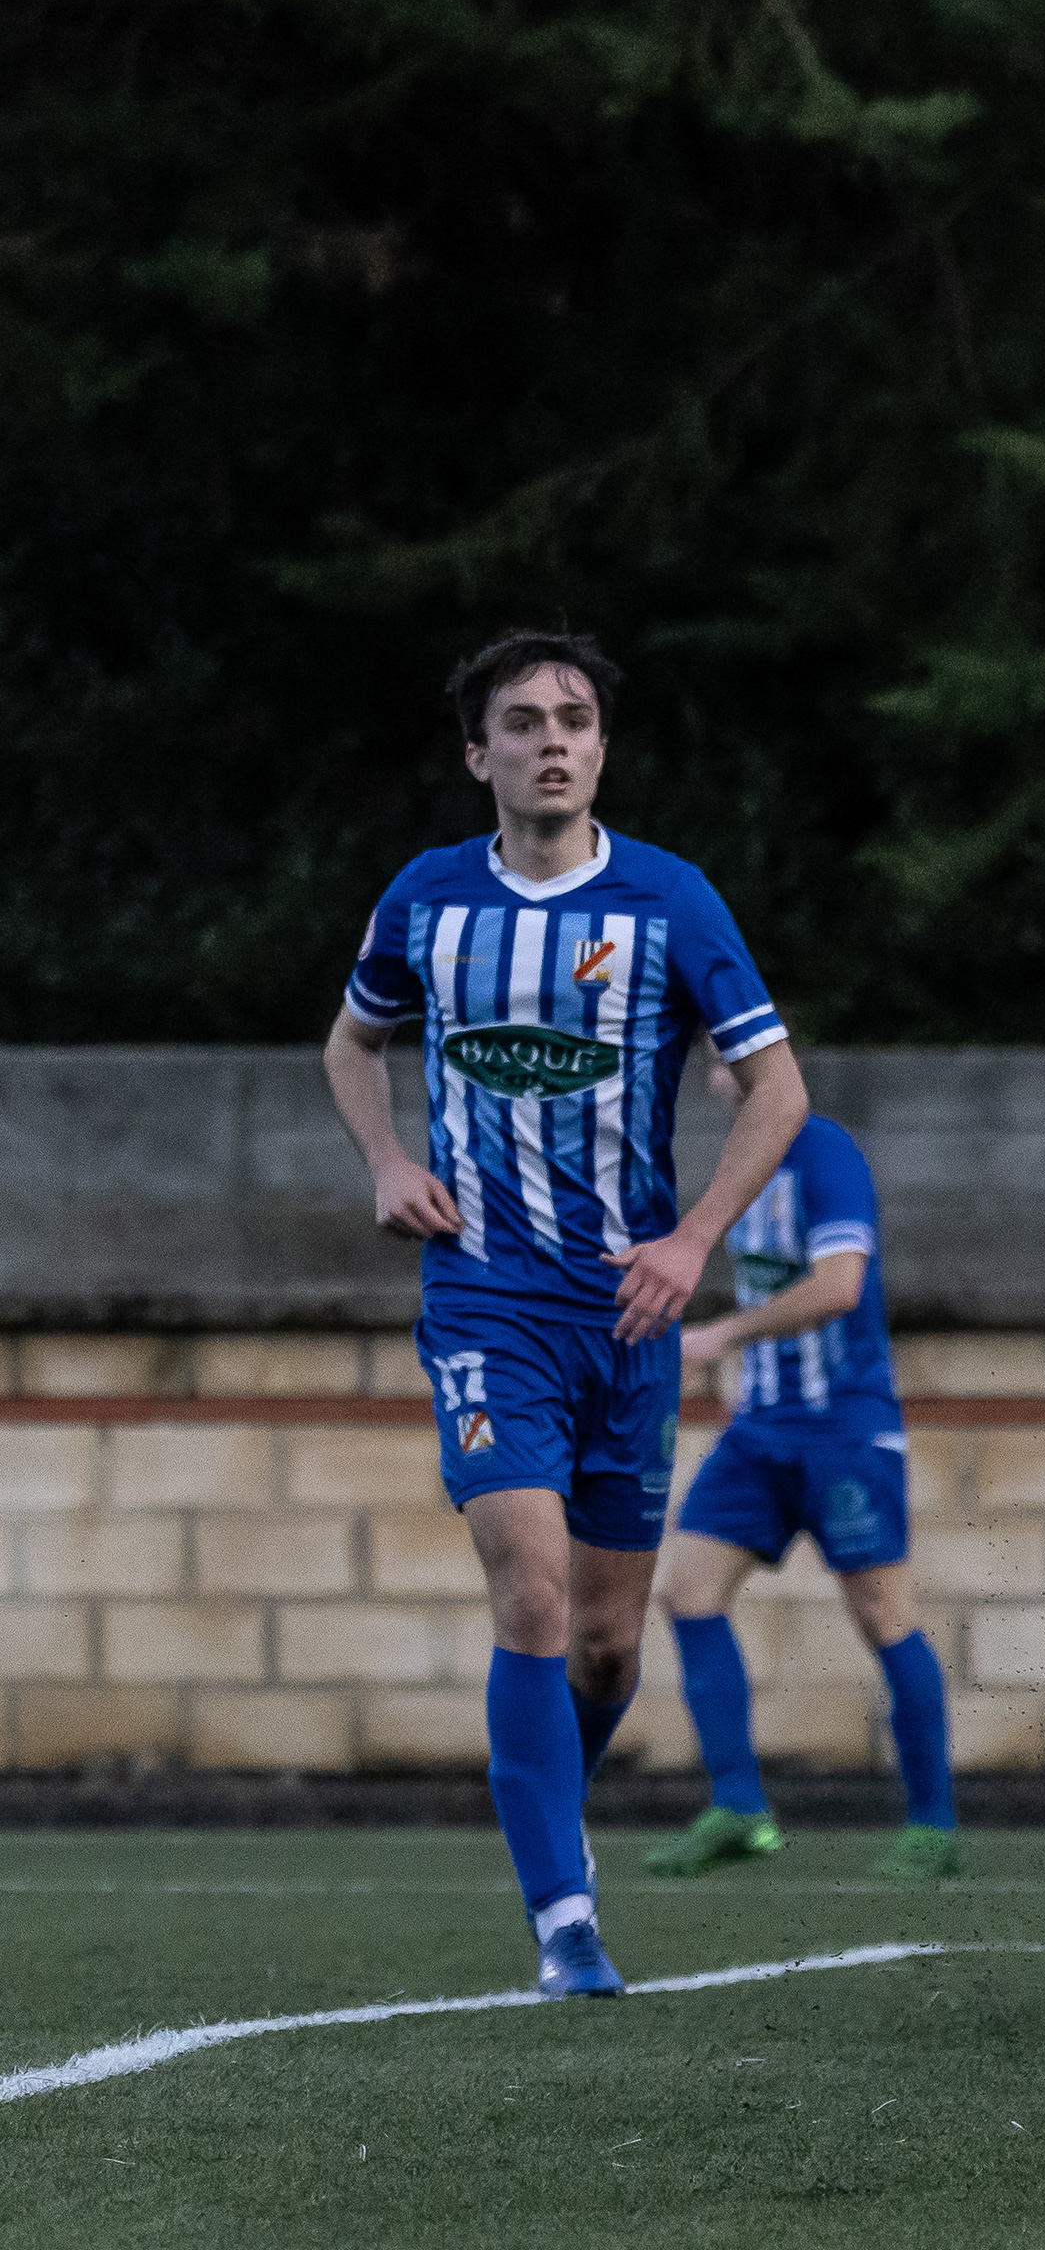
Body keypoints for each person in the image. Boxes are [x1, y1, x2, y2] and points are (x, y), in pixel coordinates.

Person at [322, 631, 809, 1999]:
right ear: (477, 752)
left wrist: (693, 1241)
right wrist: (387, 1162)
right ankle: (566, 1923)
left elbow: (779, 1089)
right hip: (486, 1302)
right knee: (529, 1592)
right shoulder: (425, 899)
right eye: (525, 720)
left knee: (604, 1643)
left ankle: (551, 1807)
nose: (553, 740)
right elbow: (353, 1043)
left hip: (627, 1320)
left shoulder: (669, 901)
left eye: (576, 719)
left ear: (602, 748)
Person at [643, 1083, 958, 1882]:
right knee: (686, 1589)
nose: (720, 1067)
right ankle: (739, 1807)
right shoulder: (737, 1168)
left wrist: (724, 1334)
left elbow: (840, 1285)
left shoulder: (825, 1153)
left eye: (734, 1050)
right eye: (716, 1054)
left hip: (844, 1429)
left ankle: (933, 1825)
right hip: (759, 1432)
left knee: (882, 1613)